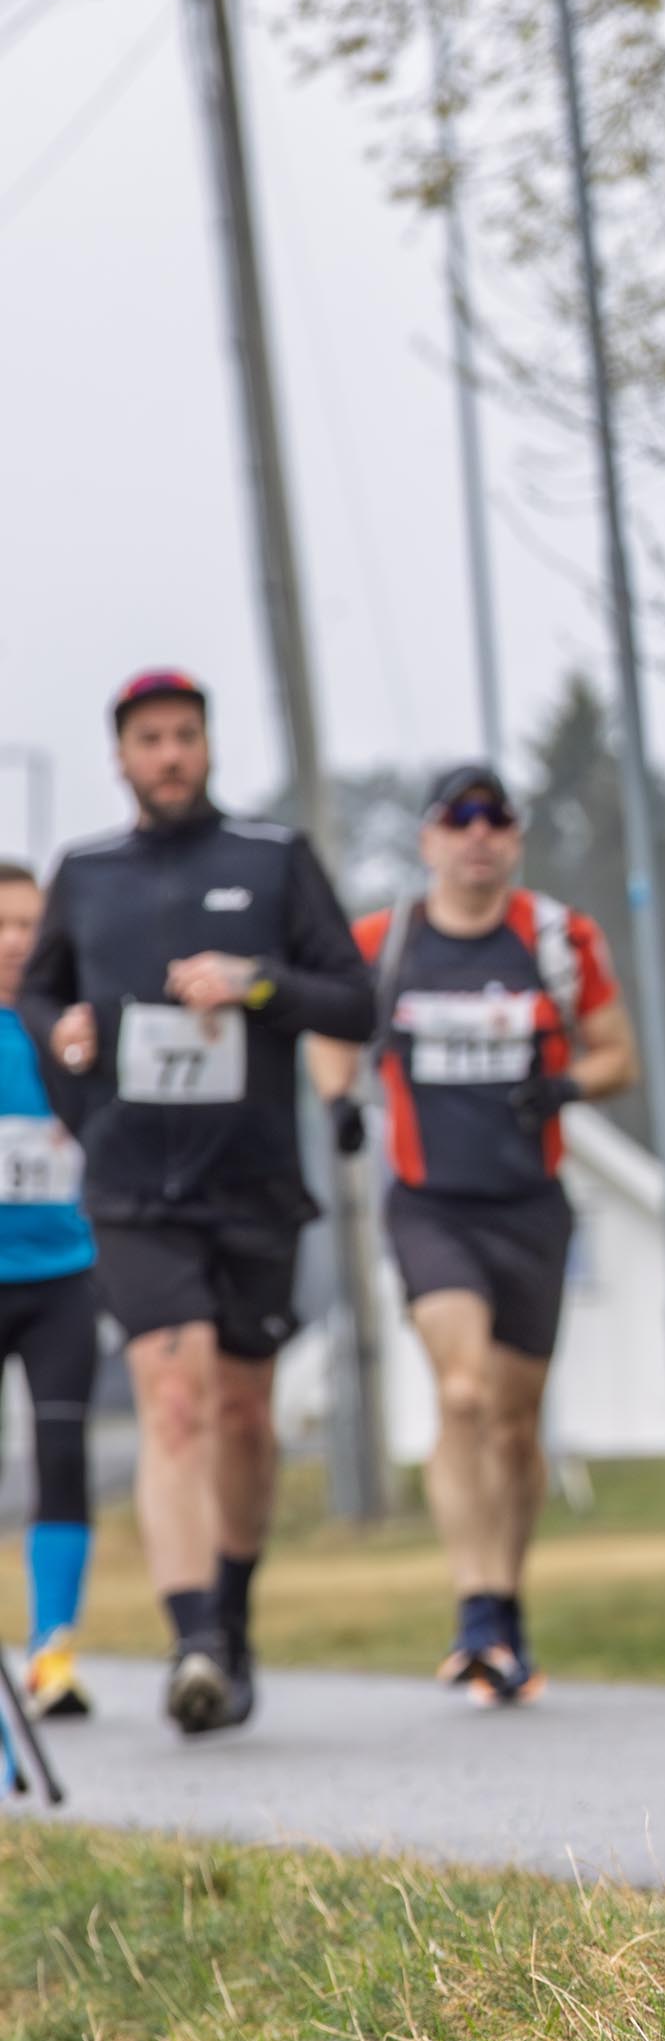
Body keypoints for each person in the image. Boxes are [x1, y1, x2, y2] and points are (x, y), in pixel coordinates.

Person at [18, 670, 376, 1735]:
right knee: (172, 1399)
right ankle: (193, 1644)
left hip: (253, 1183)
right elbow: (41, 992)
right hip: (131, 1184)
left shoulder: (272, 861)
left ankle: (231, 1611)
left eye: (185, 736)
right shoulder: (84, 874)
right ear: (121, 759)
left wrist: (256, 982)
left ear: (209, 747)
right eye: (149, 740)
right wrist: (62, 1035)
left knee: (241, 1416)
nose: (170, 755)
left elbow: (355, 1001)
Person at [306, 764, 634, 1705]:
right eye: (460, 820)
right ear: (429, 839)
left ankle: (507, 1598)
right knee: (461, 1391)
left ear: (516, 837)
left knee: (515, 1421)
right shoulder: (386, 942)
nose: (478, 836)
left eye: (496, 819)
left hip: (530, 1203)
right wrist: (340, 1102)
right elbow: (330, 1029)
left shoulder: (558, 939)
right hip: (429, 1203)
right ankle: (474, 1610)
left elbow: (617, 1053)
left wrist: (568, 1084)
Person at [0, 862, 100, 1721]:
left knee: (62, 1454)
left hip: (63, 1277)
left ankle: (52, 1650)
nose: (13, 941)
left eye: (28, 923)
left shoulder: (71, 1034)